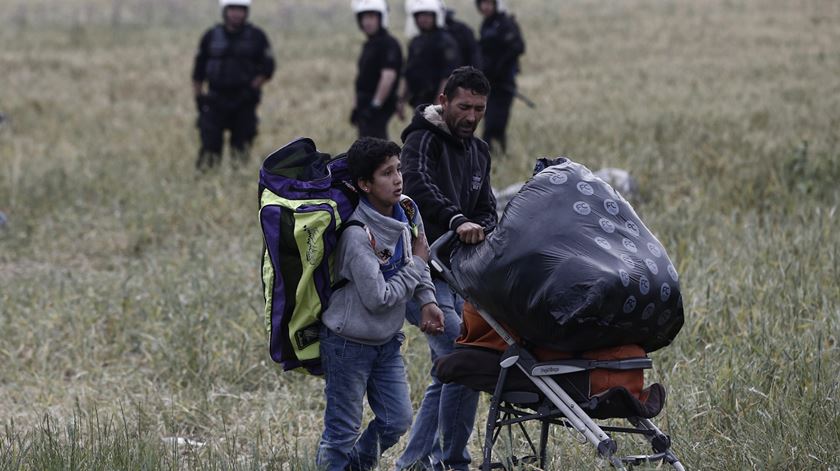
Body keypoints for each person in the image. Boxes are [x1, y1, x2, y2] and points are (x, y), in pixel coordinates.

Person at [317, 137, 446, 471]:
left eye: (399, 169)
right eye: (387, 173)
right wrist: (418, 264)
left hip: (386, 342)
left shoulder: (406, 209)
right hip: (348, 344)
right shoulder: (357, 235)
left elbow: (419, 252)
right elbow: (380, 298)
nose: (398, 179)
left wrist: (428, 300)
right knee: (341, 433)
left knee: (396, 420)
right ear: (364, 184)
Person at [395, 66, 497, 471]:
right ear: (443, 100)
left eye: (479, 109)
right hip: (419, 274)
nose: (471, 117)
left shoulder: (480, 151)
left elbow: (487, 206)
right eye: (464, 106)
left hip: (459, 277)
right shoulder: (421, 140)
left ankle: (417, 462)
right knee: (463, 356)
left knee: (452, 369)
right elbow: (417, 184)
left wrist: (485, 228)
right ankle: (452, 461)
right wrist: (456, 220)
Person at [191, 0, 275, 170]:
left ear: (246, 12)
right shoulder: (211, 36)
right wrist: (199, 99)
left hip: (244, 101)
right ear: (225, 11)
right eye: (232, 9)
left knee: (241, 149)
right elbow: (198, 72)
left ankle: (238, 180)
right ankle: (207, 183)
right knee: (209, 149)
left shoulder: (257, 37)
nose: (236, 13)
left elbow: (268, 69)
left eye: (240, 10)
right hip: (215, 100)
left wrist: (252, 88)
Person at [476, 0, 525, 154]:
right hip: (489, 83)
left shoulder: (505, 23)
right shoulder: (486, 25)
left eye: (489, 3)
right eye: (482, 3)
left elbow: (518, 46)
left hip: (504, 82)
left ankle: (496, 155)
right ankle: (494, 156)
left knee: (496, 123)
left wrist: (500, 67)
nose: (485, 7)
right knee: (490, 120)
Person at [398, 0, 462, 117]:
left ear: (435, 16)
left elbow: (448, 75)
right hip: (418, 101)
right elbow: (409, 72)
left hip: (437, 102)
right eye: (420, 15)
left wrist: (439, 104)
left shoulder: (446, 41)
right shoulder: (415, 42)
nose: (423, 19)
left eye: (427, 15)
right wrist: (401, 100)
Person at [350, 0, 404, 139]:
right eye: (364, 17)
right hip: (365, 105)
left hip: (377, 106)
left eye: (371, 17)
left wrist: (375, 105)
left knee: (377, 149)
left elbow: (388, 77)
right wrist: (357, 107)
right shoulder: (369, 44)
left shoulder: (388, 44)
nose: (367, 22)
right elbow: (361, 79)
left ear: (381, 18)